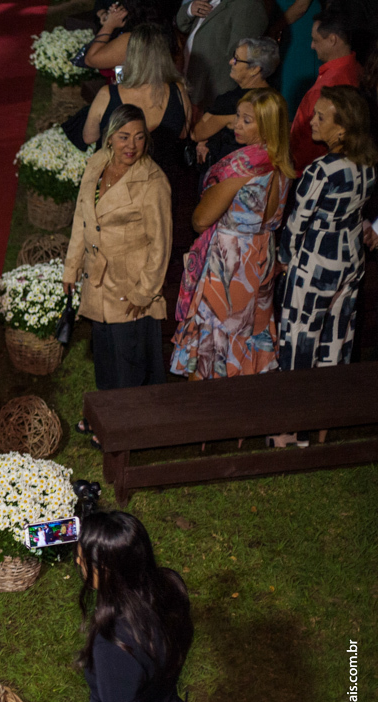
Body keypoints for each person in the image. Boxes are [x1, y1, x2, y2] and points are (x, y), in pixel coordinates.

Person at [65, 105, 172, 448]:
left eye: (140, 137)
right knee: (106, 355)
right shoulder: (97, 162)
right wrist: (71, 267)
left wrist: (143, 294)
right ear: (110, 136)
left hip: (130, 286)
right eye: (124, 136)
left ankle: (123, 429)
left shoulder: (152, 182)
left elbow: (161, 245)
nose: (132, 145)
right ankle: (103, 415)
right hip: (98, 282)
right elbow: (84, 217)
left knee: (130, 361)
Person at [71, 511, 199, 702]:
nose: (77, 562)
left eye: (83, 559)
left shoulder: (115, 645)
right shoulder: (171, 587)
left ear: (106, 571)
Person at [171, 87, 296, 379]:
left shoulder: (244, 168)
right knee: (248, 336)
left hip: (231, 264)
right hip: (261, 258)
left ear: (266, 125)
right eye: (238, 117)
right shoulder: (281, 166)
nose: (237, 125)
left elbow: (200, 220)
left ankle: (202, 419)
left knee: (212, 348)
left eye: (247, 120)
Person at [277, 86, 377, 375]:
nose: (312, 122)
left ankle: (299, 414)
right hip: (351, 261)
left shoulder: (321, 170)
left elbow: (297, 223)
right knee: (337, 340)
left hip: (315, 263)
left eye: (321, 117)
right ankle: (327, 416)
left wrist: (284, 257)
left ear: (343, 129)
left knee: (300, 342)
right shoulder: (368, 164)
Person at [83, 24, 192, 174]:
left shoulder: (107, 94)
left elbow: (89, 137)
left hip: (115, 183)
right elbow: (183, 133)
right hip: (164, 180)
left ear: (131, 54)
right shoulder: (178, 91)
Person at [191, 37, 277, 178]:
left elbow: (197, 133)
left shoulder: (233, 102)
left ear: (255, 69)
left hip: (230, 175)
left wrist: (204, 138)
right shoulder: (275, 98)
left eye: (237, 60)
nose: (231, 62)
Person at [289, 8, 362, 172]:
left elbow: (310, 144)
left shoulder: (327, 88)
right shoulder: (358, 69)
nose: (312, 46)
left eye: (315, 40)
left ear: (333, 40)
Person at [176, 0, 268, 110]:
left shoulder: (249, 5)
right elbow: (182, 25)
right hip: (190, 84)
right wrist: (190, 9)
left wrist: (216, 102)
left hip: (210, 95)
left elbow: (238, 59)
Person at [81, 0, 175, 76]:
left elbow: (90, 60)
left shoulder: (132, 40)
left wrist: (109, 25)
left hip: (128, 96)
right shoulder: (169, 33)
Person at [272, 0, 322, 114]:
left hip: (298, 27)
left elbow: (302, 5)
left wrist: (276, 28)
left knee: (295, 91)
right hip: (279, 26)